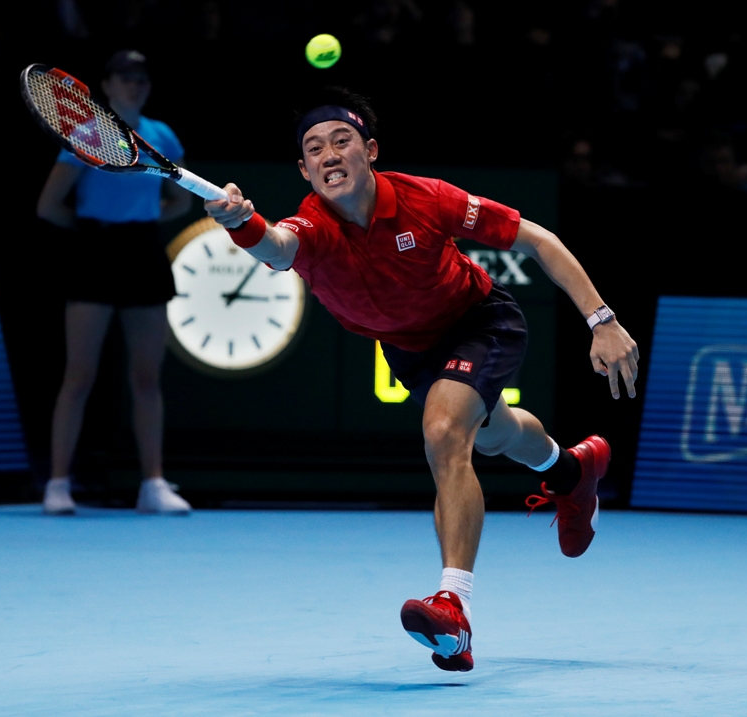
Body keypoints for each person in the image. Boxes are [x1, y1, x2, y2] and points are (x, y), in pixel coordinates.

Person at [203, 88, 639, 672]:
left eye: (342, 141)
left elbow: (538, 239)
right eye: (315, 149)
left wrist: (601, 319)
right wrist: (240, 222)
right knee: (492, 434)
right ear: (304, 170)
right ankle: (572, 470)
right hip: (410, 349)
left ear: (371, 150)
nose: (330, 154)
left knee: (443, 432)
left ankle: (453, 606)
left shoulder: (425, 199)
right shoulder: (310, 226)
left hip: (478, 323)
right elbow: (279, 249)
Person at [36, 50, 192, 515]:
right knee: (79, 375)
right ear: (105, 85)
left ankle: (153, 485)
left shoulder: (161, 135)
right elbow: (48, 206)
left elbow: (179, 204)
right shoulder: (84, 136)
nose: (134, 84)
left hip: (142, 253)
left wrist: (140, 221)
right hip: (95, 254)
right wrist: (93, 230)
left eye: (141, 77)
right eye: (125, 76)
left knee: (146, 378)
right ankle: (58, 484)